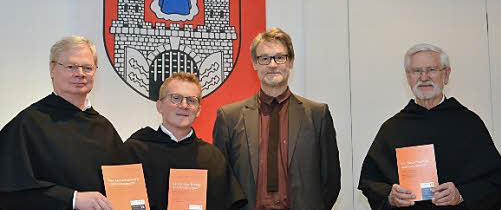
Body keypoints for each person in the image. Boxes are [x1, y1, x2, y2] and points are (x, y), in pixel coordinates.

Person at [358, 43, 501, 210]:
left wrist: (462, 194)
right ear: (408, 77)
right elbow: (371, 181)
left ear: (446, 75)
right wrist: (390, 196)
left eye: (431, 70)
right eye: (417, 71)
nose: (424, 77)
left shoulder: (469, 123)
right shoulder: (392, 129)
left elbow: (495, 179)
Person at [213, 28, 341, 210]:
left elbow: (331, 180)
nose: (272, 64)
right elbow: (222, 181)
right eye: (264, 58)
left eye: (280, 57)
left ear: (290, 62)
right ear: (254, 64)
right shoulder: (229, 117)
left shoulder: (317, 115)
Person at [0, 36, 124, 210]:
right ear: (52, 69)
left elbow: (125, 185)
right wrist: (72, 199)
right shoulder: (28, 123)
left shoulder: (104, 128)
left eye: (87, 68)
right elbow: (10, 190)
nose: (80, 73)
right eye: (71, 66)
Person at [124, 72, 247, 210]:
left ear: (199, 110)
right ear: (159, 106)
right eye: (175, 98)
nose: (184, 105)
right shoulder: (134, 151)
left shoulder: (213, 158)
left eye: (191, 100)